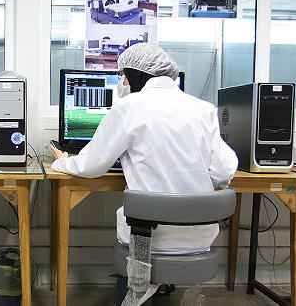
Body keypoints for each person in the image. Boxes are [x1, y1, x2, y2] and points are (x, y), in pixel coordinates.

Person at [51, 43, 238, 255]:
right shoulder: (204, 109)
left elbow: (92, 166)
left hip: (147, 236)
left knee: (129, 218)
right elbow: (224, 170)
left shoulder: (128, 106)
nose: (122, 83)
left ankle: (136, 287)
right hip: (200, 235)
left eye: (123, 76)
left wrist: (62, 161)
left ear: (135, 73)